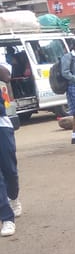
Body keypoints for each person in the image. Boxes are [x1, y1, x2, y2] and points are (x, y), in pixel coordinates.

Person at [0, 100, 21, 237]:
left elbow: (7, 77)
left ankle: (13, 197)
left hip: (2, 126)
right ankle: (7, 218)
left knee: (10, 171)